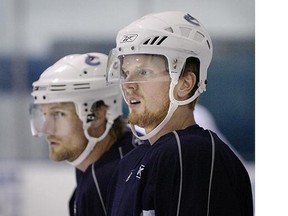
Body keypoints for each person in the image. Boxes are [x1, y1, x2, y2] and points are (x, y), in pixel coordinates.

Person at [106, 11, 253, 215]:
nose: (128, 85)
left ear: (185, 84)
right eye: (125, 73)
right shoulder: (132, 161)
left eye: (144, 72)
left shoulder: (193, 153)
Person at [29, 52, 140, 216]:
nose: (47, 129)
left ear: (98, 115)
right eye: (45, 115)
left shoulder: (106, 181)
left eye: (59, 114)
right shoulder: (103, 166)